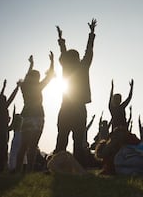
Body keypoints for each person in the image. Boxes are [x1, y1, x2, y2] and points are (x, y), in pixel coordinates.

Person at [54, 19, 97, 167]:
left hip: (66, 107)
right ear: (78, 58)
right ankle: (78, 167)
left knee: (61, 138)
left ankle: (57, 166)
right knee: (78, 140)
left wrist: (61, 39)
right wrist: (91, 33)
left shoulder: (66, 67)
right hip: (79, 108)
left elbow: (63, 53)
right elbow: (89, 51)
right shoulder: (83, 66)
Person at [16, 53, 54, 173]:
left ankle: (18, 170)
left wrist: (31, 64)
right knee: (33, 146)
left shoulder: (25, 86)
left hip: (26, 116)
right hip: (38, 116)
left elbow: (28, 76)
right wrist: (52, 61)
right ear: (37, 78)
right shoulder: (38, 86)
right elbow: (49, 76)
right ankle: (29, 170)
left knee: (23, 145)